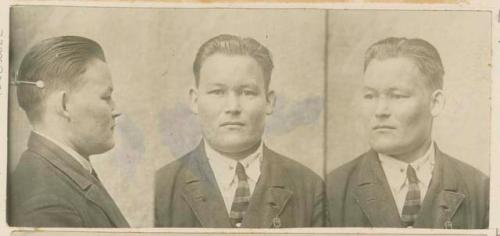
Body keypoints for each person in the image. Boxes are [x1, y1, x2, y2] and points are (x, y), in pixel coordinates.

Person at [155, 34, 325, 228]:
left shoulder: (310, 189)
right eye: (218, 92)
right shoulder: (160, 190)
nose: (233, 107)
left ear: (269, 101)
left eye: (247, 92)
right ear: (195, 100)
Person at [326, 37, 489, 229]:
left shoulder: (480, 190)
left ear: (435, 103)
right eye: (370, 96)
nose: (380, 111)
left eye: (397, 96)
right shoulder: (332, 190)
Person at [8, 36, 129, 227]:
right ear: (64, 105)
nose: (116, 109)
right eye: (106, 97)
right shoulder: (46, 204)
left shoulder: (66, 173)